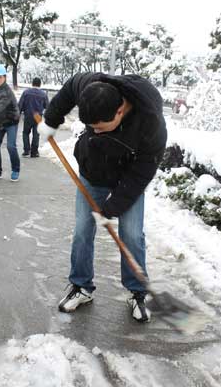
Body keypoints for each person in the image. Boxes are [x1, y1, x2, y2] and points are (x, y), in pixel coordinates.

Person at [38, 72, 167, 322]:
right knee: (82, 229)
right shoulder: (93, 86)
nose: (94, 133)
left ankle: (137, 292)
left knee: (132, 234)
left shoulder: (151, 124)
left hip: (128, 177)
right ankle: (81, 286)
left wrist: (111, 208)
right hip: (93, 172)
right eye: (91, 127)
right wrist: (51, 119)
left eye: (99, 127)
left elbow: (142, 173)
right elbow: (70, 87)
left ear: (119, 112)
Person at [18, 77, 49, 158]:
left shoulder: (26, 92)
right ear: (40, 84)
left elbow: (20, 104)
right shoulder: (43, 94)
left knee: (25, 133)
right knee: (36, 134)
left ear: (32, 84)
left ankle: (26, 150)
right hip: (38, 117)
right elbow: (47, 106)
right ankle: (34, 152)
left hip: (28, 115)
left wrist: (18, 114)